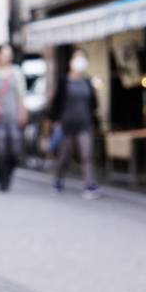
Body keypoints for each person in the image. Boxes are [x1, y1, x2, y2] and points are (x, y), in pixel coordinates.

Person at [49, 48, 101, 199]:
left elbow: (94, 103)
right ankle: (58, 179)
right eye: (77, 57)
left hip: (85, 122)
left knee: (87, 154)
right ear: (71, 61)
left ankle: (89, 185)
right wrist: (56, 121)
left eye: (83, 58)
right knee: (64, 156)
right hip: (66, 124)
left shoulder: (87, 81)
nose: (80, 61)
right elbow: (56, 103)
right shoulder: (64, 81)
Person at [0, 43, 27, 191]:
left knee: (15, 150)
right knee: (0, 150)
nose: (7, 56)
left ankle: (9, 172)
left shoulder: (16, 72)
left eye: (9, 54)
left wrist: (23, 111)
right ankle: (2, 179)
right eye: (4, 53)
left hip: (14, 116)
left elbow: (21, 94)